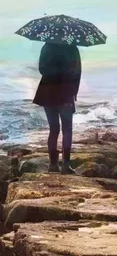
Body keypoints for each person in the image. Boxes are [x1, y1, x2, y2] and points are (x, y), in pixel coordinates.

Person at [33, 43, 81, 174]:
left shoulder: (46, 46)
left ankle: (53, 164)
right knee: (67, 129)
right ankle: (66, 165)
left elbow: (42, 69)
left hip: (47, 91)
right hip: (65, 91)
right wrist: (74, 92)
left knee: (53, 129)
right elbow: (77, 72)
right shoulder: (71, 48)